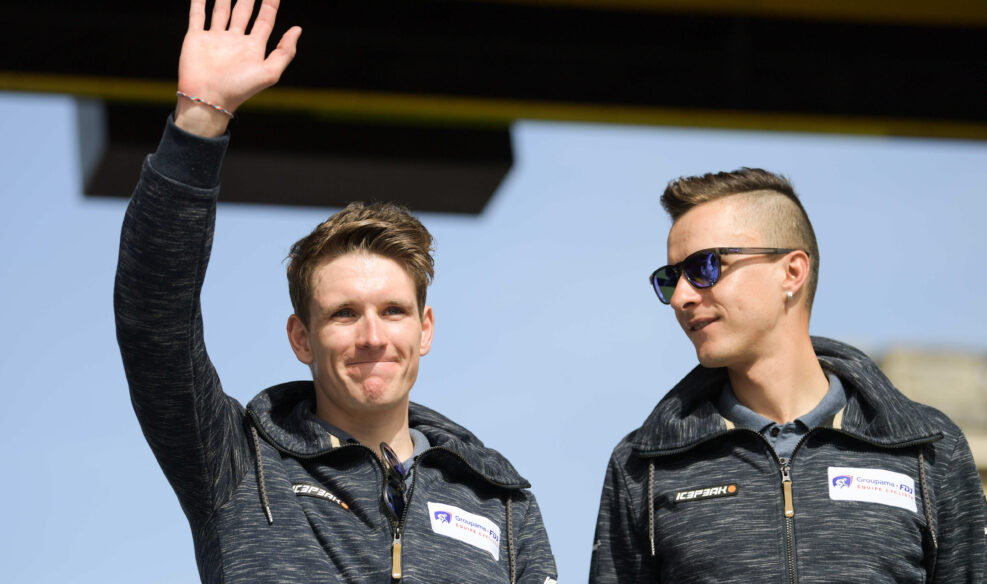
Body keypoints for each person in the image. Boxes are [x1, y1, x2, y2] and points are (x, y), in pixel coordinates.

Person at [113, 1, 557, 582]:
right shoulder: (236, 465)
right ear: (301, 337)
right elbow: (155, 323)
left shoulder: (501, 501)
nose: (373, 336)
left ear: (424, 329)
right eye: (344, 313)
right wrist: (200, 119)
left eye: (393, 311)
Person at [589, 167, 986, 583]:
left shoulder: (930, 452)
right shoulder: (643, 467)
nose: (681, 298)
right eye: (670, 280)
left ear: (792, 272)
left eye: (705, 266)